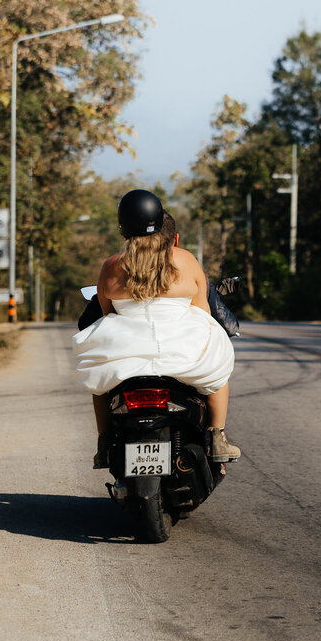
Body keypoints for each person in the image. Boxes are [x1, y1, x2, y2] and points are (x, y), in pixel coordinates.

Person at [73, 190, 239, 467]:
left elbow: (105, 312)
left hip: (124, 351)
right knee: (218, 375)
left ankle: (104, 443)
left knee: (100, 386)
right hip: (183, 350)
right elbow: (203, 311)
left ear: (122, 228)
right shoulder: (185, 260)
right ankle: (217, 435)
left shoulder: (112, 266)